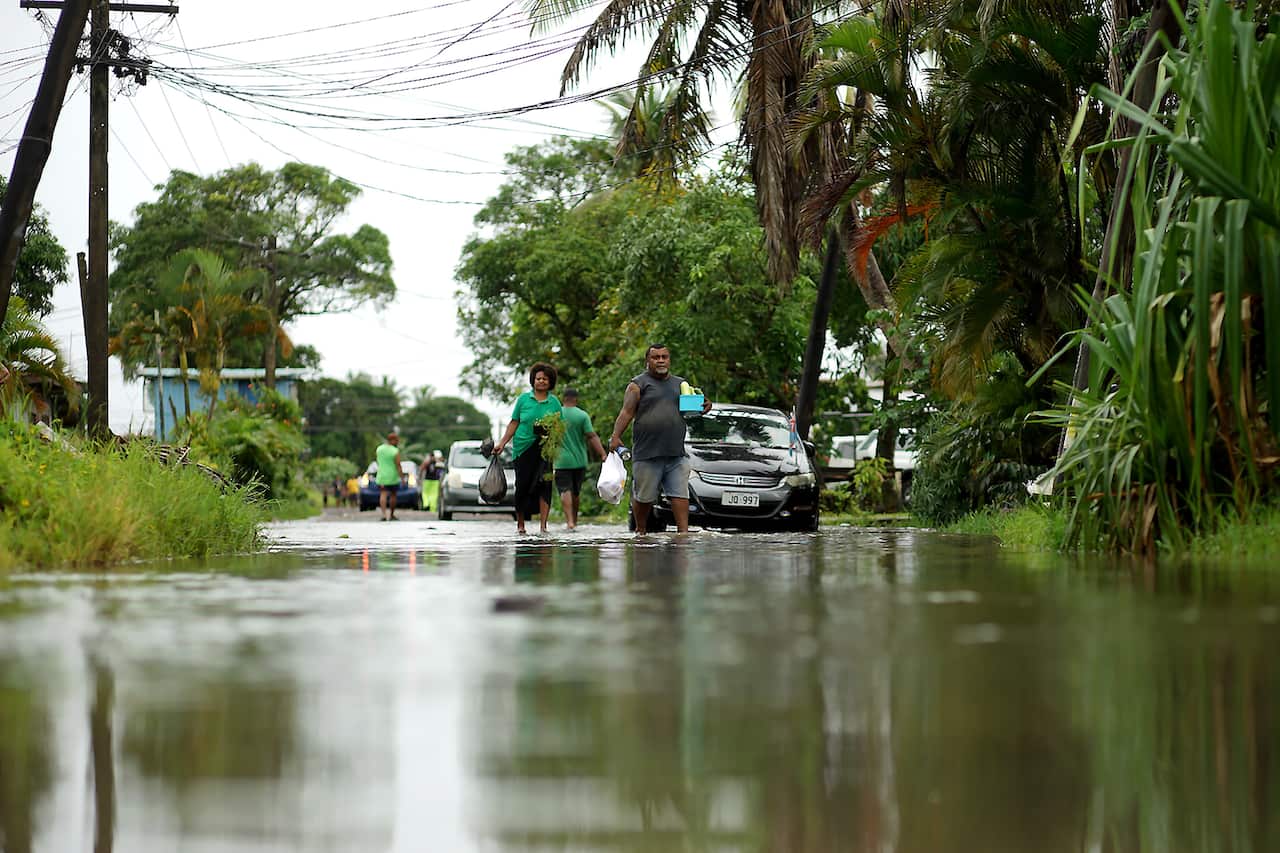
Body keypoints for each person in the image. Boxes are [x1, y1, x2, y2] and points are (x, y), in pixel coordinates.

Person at [608, 343, 712, 533]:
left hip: (676, 453)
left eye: (665, 357)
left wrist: (705, 405)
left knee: (680, 495)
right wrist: (615, 436)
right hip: (647, 453)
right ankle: (641, 531)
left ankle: (683, 534)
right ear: (647, 361)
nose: (661, 360)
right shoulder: (637, 385)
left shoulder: (681, 384)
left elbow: (692, 409)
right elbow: (626, 412)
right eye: (656, 357)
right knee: (644, 497)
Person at [493, 363, 562, 534]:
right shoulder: (523, 399)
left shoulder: (554, 402)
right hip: (522, 449)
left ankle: (543, 526)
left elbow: (559, 426)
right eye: (538, 378)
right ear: (533, 380)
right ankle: (521, 524)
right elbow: (514, 422)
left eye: (545, 379)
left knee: (545, 485)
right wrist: (502, 442)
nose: (541, 381)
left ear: (550, 381)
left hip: (545, 449)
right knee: (522, 485)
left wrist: (551, 435)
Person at [553, 388, 606, 530]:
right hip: (580, 461)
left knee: (565, 490)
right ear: (576, 399)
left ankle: (569, 521)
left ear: (563, 399)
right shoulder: (583, 415)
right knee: (576, 492)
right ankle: (574, 521)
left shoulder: (556, 415)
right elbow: (592, 436)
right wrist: (603, 454)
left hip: (561, 461)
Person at [374, 432, 404, 521]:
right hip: (392, 477)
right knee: (393, 495)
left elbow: (378, 460)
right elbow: (398, 465)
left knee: (383, 494)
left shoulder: (379, 449)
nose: (397, 442)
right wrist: (402, 477)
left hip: (381, 476)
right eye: (397, 441)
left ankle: (383, 515)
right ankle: (391, 515)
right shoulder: (395, 451)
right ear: (393, 440)